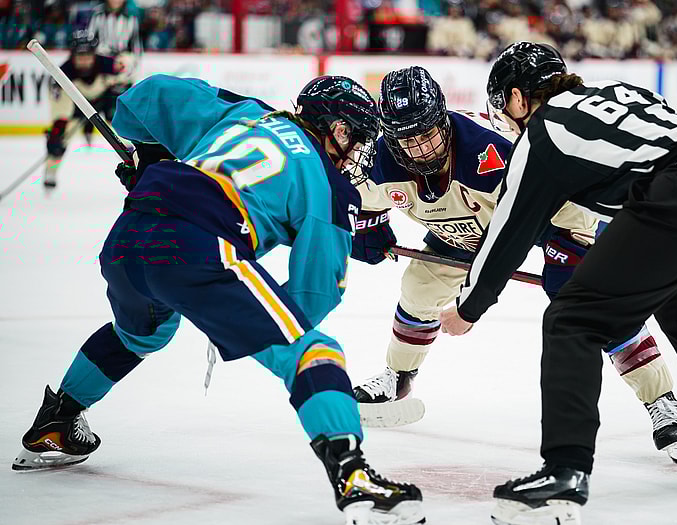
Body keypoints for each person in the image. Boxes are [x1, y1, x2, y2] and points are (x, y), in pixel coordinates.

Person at [13, 74, 426, 525]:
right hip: (198, 246)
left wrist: (151, 161)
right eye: (359, 138)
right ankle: (354, 477)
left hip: (129, 237)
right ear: (339, 130)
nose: (357, 156)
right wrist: (258, 317)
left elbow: (142, 100)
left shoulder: (246, 112)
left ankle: (59, 420)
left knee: (141, 333)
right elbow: (312, 298)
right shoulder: (331, 186)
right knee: (313, 350)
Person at [439, 41, 677, 524]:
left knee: (572, 320)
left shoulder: (543, 133)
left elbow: (508, 233)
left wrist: (468, 306)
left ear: (519, 99)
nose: (508, 119)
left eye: (507, 106)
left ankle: (564, 472)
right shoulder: (619, 92)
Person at [351, 65, 677, 463]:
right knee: (420, 286)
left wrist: (572, 247)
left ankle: (662, 399)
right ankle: (399, 375)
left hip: (540, 217)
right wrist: (366, 228)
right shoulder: (382, 161)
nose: (421, 150)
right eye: (407, 140)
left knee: (590, 298)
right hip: (460, 234)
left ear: (443, 117)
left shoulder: (492, 149)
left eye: (427, 133)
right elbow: (359, 199)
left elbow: (567, 195)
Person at [43, 29, 126, 190]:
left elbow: (126, 81)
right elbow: (60, 110)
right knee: (60, 139)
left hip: (104, 100)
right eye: (80, 56)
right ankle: (50, 170)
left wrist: (115, 95)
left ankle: (137, 165)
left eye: (88, 56)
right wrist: (57, 132)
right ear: (72, 56)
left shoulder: (109, 65)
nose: (84, 60)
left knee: (122, 131)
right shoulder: (62, 75)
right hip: (76, 105)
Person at [84, 0, 142, 140]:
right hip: (102, 61)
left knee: (116, 107)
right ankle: (88, 128)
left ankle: (124, 141)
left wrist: (132, 64)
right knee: (94, 97)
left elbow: (135, 46)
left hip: (122, 64)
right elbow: (90, 39)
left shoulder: (131, 18)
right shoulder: (98, 15)